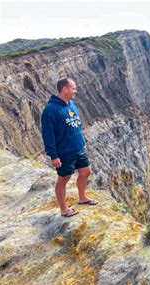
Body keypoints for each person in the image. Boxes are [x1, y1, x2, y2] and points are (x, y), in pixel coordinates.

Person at [41, 78, 98, 217]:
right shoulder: (51, 110)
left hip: (78, 148)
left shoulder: (71, 104)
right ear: (65, 89)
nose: (75, 91)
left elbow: (75, 124)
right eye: (73, 88)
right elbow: (48, 135)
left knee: (86, 171)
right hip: (65, 152)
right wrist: (53, 155)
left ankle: (82, 197)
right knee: (64, 179)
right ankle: (63, 209)